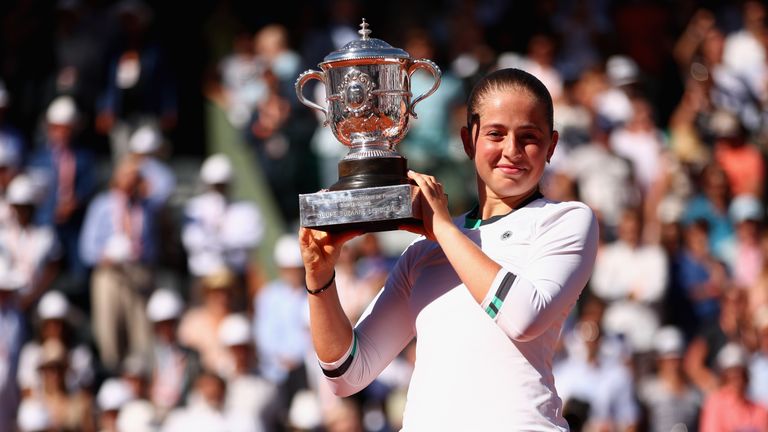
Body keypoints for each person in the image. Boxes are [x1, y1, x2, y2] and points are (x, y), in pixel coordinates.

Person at [299, 68, 599, 430]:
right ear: (468, 141)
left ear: (551, 146)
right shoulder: (423, 251)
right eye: (495, 134)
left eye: (529, 137)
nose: (512, 150)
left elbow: (524, 318)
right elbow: (346, 374)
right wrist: (319, 279)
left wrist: (441, 228)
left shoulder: (566, 220)